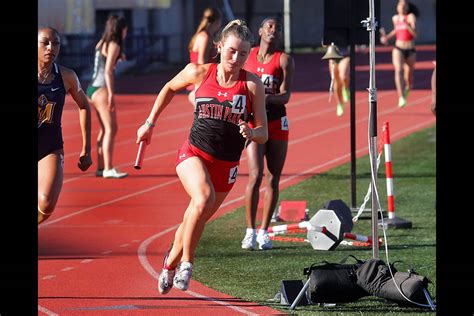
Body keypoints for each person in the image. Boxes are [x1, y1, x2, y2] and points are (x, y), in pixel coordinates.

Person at [136, 19, 267, 293]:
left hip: (227, 165)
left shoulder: (252, 85)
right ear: (219, 47)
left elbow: (264, 131)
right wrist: (149, 123)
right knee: (203, 198)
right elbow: (169, 88)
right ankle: (187, 265)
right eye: (232, 51)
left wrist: (251, 132)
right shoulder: (199, 72)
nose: (236, 58)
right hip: (193, 153)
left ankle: (169, 263)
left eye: (243, 54)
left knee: (194, 217)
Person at [241, 16, 294, 250]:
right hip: (254, 122)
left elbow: (286, 96)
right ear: (260, 30)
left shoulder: (284, 59)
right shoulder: (248, 56)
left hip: (276, 120)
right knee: (255, 175)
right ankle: (249, 231)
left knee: (273, 176)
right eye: (269, 26)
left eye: (277, 28)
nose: (273, 30)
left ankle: (264, 232)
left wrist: (267, 98)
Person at [38, 27, 92, 224]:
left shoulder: (66, 76)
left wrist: (86, 149)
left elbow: (84, 106)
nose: (51, 48)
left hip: (49, 147)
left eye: (56, 43)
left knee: (46, 203)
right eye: (45, 43)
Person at [86, 14, 129, 178]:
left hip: (91, 87)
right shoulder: (114, 44)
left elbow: (103, 62)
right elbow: (109, 70)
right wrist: (111, 94)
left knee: (104, 129)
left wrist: (119, 57)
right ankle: (108, 168)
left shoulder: (102, 42)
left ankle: (101, 167)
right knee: (112, 128)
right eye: (125, 30)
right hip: (102, 88)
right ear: (121, 29)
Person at [380, 0, 418, 108]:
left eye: (404, 5)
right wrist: (386, 37)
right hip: (398, 48)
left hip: (410, 49)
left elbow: (415, 34)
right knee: (399, 70)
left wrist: (407, 25)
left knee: (409, 75)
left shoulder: (410, 17)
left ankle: (408, 87)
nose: (402, 7)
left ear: (407, 7)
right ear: (397, 7)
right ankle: (401, 97)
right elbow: (396, 30)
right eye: (400, 5)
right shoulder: (395, 18)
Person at [186, 7, 222, 105]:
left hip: (199, 81)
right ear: (217, 22)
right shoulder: (205, 37)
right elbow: (202, 62)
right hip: (199, 83)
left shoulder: (205, 36)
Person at [328, 46, 350, 117]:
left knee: (343, 76)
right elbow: (324, 43)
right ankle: (340, 103)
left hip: (345, 54)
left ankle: (345, 88)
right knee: (336, 81)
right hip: (333, 56)